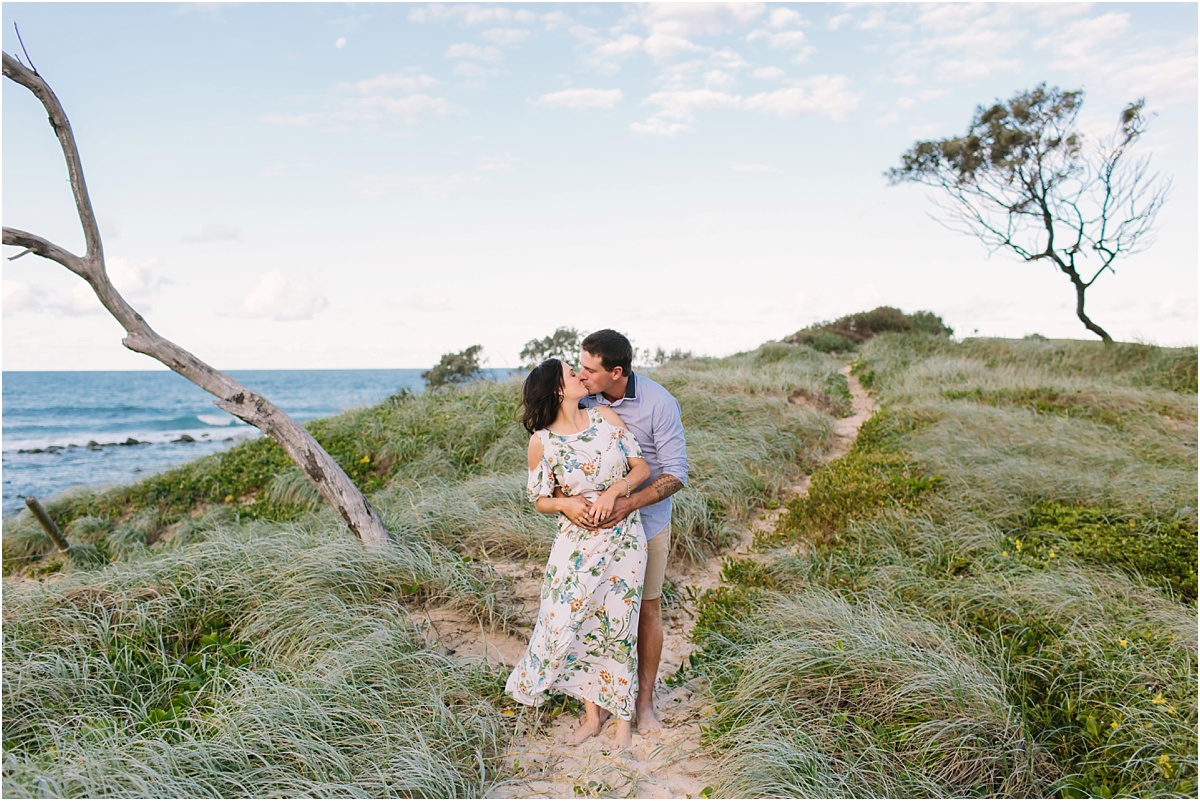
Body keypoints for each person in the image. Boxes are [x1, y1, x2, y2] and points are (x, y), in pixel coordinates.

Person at [505, 358, 651, 749]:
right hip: (574, 547)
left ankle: (622, 720)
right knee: (574, 622)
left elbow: (641, 469)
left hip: (623, 539)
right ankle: (591, 715)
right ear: (557, 389)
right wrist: (565, 506)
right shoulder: (542, 441)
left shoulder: (604, 417)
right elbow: (539, 499)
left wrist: (614, 491)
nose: (581, 376)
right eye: (572, 373)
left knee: (618, 625)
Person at [576, 329, 688, 736]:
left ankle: (643, 703)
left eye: (589, 369)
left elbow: (676, 474)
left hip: (648, 525)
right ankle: (600, 703)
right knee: (593, 612)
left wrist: (624, 502)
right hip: (595, 530)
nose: (581, 373)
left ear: (616, 371)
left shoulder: (659, 403)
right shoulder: (581, 398)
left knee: (646, 611)